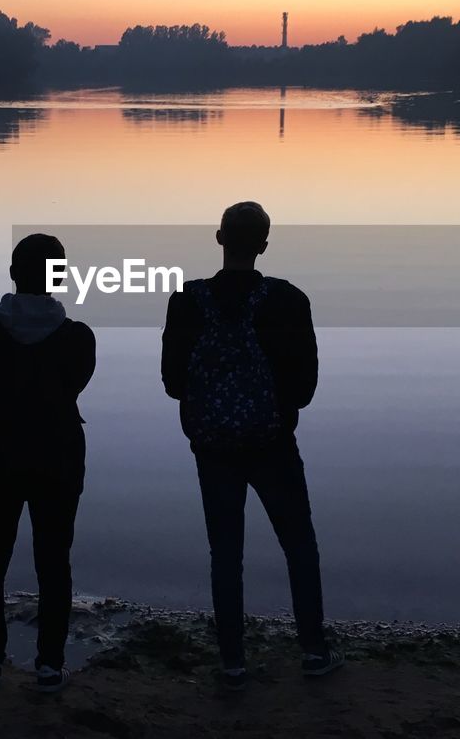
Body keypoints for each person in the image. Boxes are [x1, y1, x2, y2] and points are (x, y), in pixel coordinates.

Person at [161, 201, 343, 691]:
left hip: (212, 444)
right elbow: (305, 387)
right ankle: (313, 650)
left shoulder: (186, 300)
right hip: (273, 442)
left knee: (226, 552)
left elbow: (173, 383)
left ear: (219, 239)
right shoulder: (288, 300)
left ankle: (233, 662)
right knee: (299, 545)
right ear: (264, 244)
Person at [0, 233, 96, 693]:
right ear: (58, 278)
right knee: (54, 561)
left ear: (13, 274)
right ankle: (48, 664)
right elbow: (75, 387)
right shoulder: (78, 338)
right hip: (58, 461)